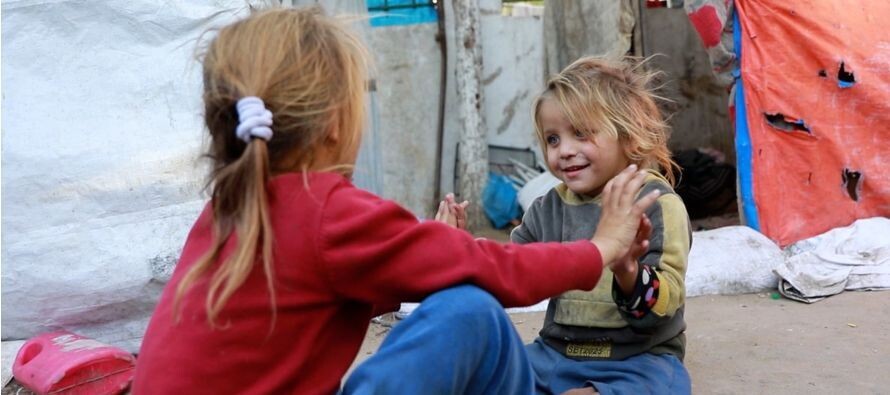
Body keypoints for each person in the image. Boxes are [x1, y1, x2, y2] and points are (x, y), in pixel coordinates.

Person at [132, 8, 660, 395]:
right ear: (337, 124)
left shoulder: (227, 208)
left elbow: (302, 297)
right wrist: (602, 246)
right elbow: (495, 270)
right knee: (470, 311)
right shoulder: (326, 212)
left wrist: (428, 257)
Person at [510, 56, 693, 394]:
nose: (564, 150)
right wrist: (457, 249)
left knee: (659, 385)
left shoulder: (656, 204)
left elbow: (664, 306)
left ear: (628, 136)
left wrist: (628, 272)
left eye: (580, 134)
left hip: (637, 359)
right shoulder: (547, 208)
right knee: (486, 371)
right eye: (552, 139)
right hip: (554, 353)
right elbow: (508, 270)